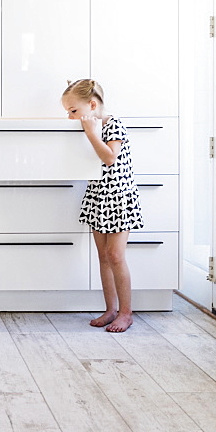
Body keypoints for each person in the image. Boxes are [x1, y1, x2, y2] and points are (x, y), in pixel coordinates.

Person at [61, 78, 143, 332]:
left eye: (73, 111)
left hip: (118, 197)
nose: (70, 117)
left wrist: (90, 133)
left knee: (116, 256)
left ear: (92, 104)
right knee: (104, 257)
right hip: (99, 196)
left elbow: (109, 158)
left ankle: (126, 313)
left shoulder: (113, 124)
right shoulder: (89, 127)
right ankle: (111, 310)